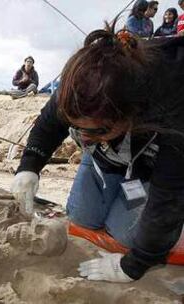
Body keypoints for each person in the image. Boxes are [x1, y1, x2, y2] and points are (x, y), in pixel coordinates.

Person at [11, 20, 184, 283]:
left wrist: (133, 265)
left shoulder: (172, 103)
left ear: (128, 115)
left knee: (126, 234)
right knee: (82, 217)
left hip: (151, 164)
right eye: (77, 127)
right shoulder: (80, 83)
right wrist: (29, 166)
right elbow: (48, 123)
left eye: (95, 130)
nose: (84, 137)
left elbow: (169, 194)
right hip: (107, 160)